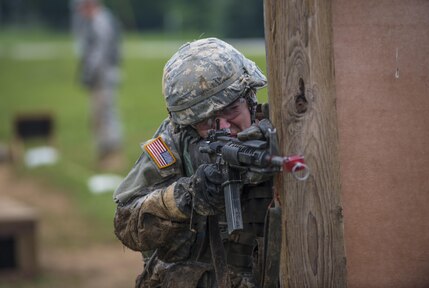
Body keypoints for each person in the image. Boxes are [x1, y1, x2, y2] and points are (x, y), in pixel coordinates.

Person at [113, 38, 277, 287]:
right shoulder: (173, 145)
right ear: (187, 124)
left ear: (250, 98)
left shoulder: (285, 132)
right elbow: (126, 223)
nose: (224, 128)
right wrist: (185, 197)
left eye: (232, 109)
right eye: (206, 121)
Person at [70, 0, 123, 170]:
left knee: (105, 115)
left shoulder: (100, 21)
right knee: (99, 116)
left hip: (103, 77)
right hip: (100, 77)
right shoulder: (96, 20)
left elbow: (99, 52)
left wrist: (87, 73)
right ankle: (104, 154)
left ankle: (112, 154)